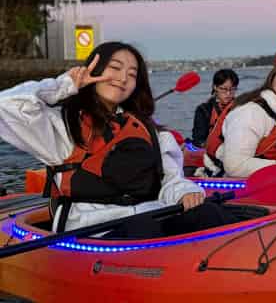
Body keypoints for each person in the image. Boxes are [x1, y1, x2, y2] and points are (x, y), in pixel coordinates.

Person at [0, 42, 230, 236]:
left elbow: (170, 180)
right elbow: (6, 106)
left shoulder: (151, 131)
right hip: (94, 230)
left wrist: (185, 192)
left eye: (131, 74)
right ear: (94, 69)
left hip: (152, 216)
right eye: (115, 68)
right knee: (143, 228)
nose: (122, 78)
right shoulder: (61, 126)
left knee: (209, 212)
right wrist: (64, 85)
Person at [204, 62, 276, 177]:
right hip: (223, 178)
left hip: (264, 177)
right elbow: (235, 166)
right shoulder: (251, 112)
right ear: (272, 80)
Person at [191, 68, 239, 146]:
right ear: (215, 87)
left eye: (232, 89)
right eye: (224, 89)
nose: (228, 93)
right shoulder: (204, 110)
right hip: (212, 150)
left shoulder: (241, 108)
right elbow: (199, 139)